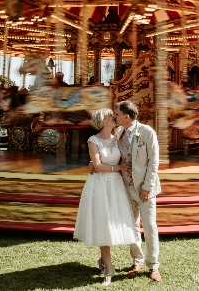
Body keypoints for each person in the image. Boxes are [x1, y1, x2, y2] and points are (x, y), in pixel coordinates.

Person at [74, 108, 139, 286]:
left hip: (116, 185)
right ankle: (109, 269)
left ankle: (104, 261)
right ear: (102, 121)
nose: (114, 117)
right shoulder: (93, 141)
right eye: (110, 116)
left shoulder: (118, 135)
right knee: (103, 224)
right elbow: (98, 165)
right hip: (100, 185)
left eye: (113, 114)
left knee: (113, 223)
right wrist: (118, 168)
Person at [113, 100, 162, 282]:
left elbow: (153, 163)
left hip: (144, 189)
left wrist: (147, 188)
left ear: (126, 116)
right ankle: (137, 260)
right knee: (131, 226)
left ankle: (153, 265)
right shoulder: (118, 133)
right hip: (125, 188)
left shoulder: (147, 132)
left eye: (117, 114)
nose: (114, 116)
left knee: (149, 227)